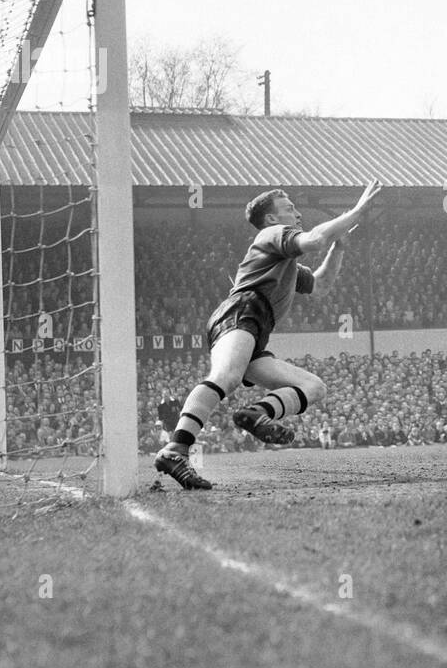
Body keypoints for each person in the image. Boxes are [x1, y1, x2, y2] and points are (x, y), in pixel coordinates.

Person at [153, 181, 381, 489]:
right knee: (226, 377)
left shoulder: (283, 261)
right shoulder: (272, 235)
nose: (298, 213)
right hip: (242, 311)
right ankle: (175, 450)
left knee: (314, 387)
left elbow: (320, 285)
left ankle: (255, 414)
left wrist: (338, 247)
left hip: (256, 325)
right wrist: (355, 212)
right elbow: (315, 239)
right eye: (289, 208)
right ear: (272, 219)